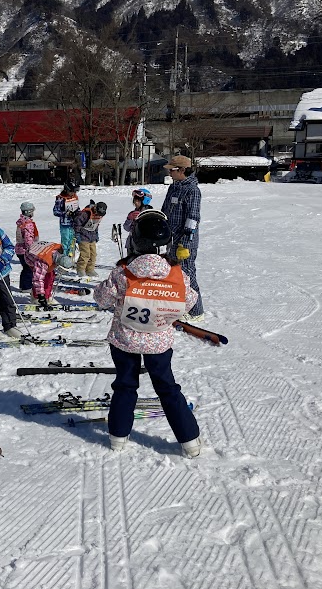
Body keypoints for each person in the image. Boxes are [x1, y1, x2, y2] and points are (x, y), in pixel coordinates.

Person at [92, 212, 202, 457]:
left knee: (125, 386)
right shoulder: (175, 273)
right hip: (159, 342)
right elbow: (189, 301)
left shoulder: (124, 273)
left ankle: (118, 436)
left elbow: (101, 299)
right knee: (168, 389)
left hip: (124, 340)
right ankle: (190, 441)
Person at [160, 155, 204, 321]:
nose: (170, 173)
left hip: (185, 243)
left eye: (172, 170)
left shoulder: (192, 190)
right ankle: (178, 307)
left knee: (187, 275)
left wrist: (185, 243)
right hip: (171, 239)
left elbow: (193, 218)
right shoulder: (174, 187)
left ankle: (196, 311)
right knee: (174, 276)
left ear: (182, 170)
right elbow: (165, 210)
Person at [25, 240, 74, 307]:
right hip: (31, 257)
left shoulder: (59, 250)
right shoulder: (43, 262)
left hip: (43, 251)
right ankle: (36, 297)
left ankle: (47, 296)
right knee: (43, 278)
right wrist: (41, 296)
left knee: (50, 277)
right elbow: (38, 279)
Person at [72, 200, 107, 277]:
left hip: (92, 236)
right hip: (83, 236)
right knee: (85, 254)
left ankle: (90, 269)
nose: (98, 215)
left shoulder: (99, 215)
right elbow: (77, 224)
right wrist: (77, 234)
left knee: (93, 254)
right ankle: (80, 269)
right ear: (95, 208)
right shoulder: (85, 214)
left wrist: (96, 235)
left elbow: (96, 225)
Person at [15, 202, 39, 293]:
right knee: (29, 268)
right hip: (25, 250)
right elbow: (28, 238)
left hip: (20, 249)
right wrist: (31, 248)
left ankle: (23, 285)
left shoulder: (21, 221)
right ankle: (26, 287)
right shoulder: (27, 223)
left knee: (26, 267)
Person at [52, 180, 80, 258]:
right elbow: (55, 212)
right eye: (72, 191)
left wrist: (78, 213)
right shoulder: (61, 199)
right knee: (66, 241)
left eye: (75, 191)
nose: (74, 193)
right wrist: (65, 213)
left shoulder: (74, 197)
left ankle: (71, 256)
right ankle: (64, 257)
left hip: (73, 223)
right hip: (65, 224)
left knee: (72, 240)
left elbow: (77, 208)